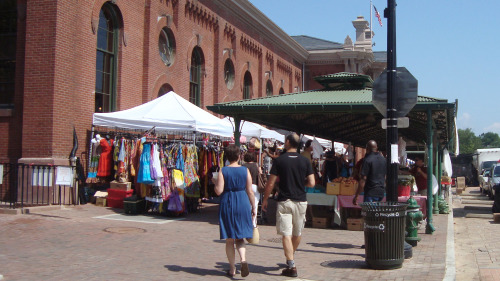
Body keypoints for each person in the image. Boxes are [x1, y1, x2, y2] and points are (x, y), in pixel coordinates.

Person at [262, 133, 315, 278]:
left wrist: (265, 199)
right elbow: (311, 182)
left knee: (286, 234)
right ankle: (290, 258)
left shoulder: (280, 161)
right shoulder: (305, 161)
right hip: (300, 201)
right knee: (297, 233)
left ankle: (291, 263)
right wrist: (300, 183)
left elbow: (271, 182)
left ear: (287, 142)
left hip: (284, 200)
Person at [214, 144, 256, 277]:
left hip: (228, 202)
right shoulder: (245, 170)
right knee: (240, 237)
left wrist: (214, 182)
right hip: (242, 201)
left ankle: (232, 269)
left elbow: (219, 191)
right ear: (239, 156)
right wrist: (253, 206)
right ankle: (243, 260)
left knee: (229, 239)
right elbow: (250, 191)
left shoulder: (223, 171)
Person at [353, 140, 386, 205]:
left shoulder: (367, 160)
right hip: (381, 192)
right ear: (376, 148)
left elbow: (363, 179)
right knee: (376, 213)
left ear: (367, 149)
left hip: (371, 192)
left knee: (369, 213)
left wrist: (356, 196)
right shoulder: (383, 159)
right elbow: (385, 176)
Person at [242, 152, 262, 228]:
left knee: (246, 204)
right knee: (255, 204)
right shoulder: (256, 165)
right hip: (255, 186)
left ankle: (245, 221)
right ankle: (253, 222)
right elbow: (261, 173)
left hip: (246, 186)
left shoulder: (243, 166)